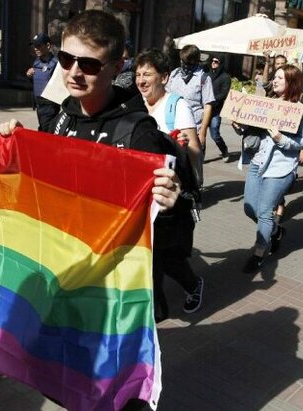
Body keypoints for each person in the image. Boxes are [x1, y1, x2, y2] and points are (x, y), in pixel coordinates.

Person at [0, 11, 186, 326]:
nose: (73, 72)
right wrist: (15, 149)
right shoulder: (60, 118)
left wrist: (169, 207)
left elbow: (158, 236)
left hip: (109, 290)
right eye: (66, 59)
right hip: (63, 274)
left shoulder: (137, 133)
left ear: (115, 68)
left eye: (89, 64)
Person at [134, 48, 205, 318]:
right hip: (141, 192)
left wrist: (195, 187)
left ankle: (186, 289)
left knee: (162, 253)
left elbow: (194, 148)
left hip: (169, 195)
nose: (141, 80)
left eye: (147, 74)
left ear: (163, 77)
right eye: (138, 74)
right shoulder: (135, 104)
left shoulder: (177, 105)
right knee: (151, 252)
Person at [235, 64, 303, 273]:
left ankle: (259, 254)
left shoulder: (300, 111)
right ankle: (276, 232)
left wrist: (282, 139)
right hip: (257, 163)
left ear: (291, 83)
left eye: (280, 78)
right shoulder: (266, 104)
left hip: (280, 168)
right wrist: (238, 124)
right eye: (275, 77)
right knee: (250, 207)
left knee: (266, 212)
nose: (275, 80)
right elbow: (250, 129)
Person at [166, 45, 215, 156]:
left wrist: (202, 132)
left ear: (197, 61)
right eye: (184, 62)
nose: (186, 66)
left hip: (194, 131)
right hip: (174, 130)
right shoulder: (174, 74)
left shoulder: (204, 78)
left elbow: (208, 106)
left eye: (190, 63)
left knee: (193, 168)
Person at [26, 33, 60, 132]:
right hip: (38, 105)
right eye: (34, 46)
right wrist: (30, 76)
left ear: (48, 46)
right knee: (42, 129)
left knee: (47, 131)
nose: (35, 48)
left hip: (50, 106)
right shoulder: (36, 62)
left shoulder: (55, 63)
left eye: (38, 46)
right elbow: (37, 82)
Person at [207, 55, 231, 161]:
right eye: (212, 61)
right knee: (200, 134)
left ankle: (224, 151)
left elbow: (224, 94)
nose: (213, 63)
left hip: (216, 111)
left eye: (216, 61)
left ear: (220, 63)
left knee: (215, 135)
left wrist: (210, 99)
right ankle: (200, 156)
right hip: (204, 109)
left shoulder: (225, 77)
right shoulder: (207, 75)